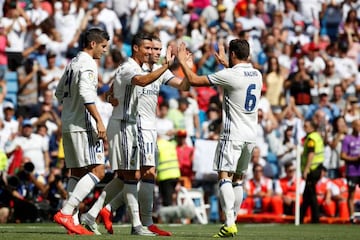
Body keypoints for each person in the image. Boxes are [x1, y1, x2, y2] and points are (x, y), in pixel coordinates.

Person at [80, 32, 175, 236]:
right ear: (136, 48)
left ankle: (95, 213)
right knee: (132, 175)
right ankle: (138, 225)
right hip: (124, 125)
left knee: (127, 176)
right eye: (148, 48)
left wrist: (110, 95)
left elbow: (112, 90)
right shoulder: (128, 67)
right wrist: (167, 65)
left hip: (135, 126)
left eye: (154, 49)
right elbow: (139, 81)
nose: (151, 52)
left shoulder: (142, 68)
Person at [176, 39, 262, 237]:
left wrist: (182, 62)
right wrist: (226, 64)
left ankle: (229, 222)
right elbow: (238, 77)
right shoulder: (257, 74)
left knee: (225, 176)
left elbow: (196, 81)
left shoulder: (230, 74)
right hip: (251, 135)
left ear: (232, 54)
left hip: (233, 134)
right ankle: (233, 221)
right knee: (238, 179)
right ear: (247, 54)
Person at [53, 28, 110, 235]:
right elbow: (87, 94)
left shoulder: (72, 63)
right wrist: (99, 120)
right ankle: (67, 212)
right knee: (98, 171)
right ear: (93, 44)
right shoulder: (88, 64)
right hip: (83, 124)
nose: (105, 51)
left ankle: (72, 222)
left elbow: (58, 93)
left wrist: (71, 107)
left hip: (68, 123)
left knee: (76, 173)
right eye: (103, 46)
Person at [300, 120, 325, 224]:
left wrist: (306, 169)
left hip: (312, 169)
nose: (304, 127)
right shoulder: (317, 136)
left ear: (311, 127)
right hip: (317, 168)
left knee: (312, 195)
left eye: (306, 125)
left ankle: (315, 219)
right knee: (307, 195)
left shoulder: (311, 138)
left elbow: (311, 154)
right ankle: (299, 217)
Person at [340, 119, 360, 223]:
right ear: (353, 126)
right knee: (351, 194)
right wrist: (355, 159)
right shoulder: (347, 139)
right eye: (358, 125)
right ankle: (352, 217)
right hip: (352, 171)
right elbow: (342, 155)